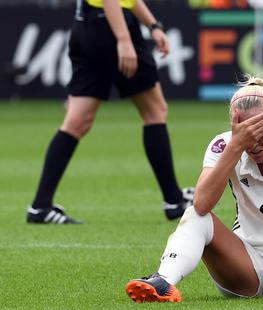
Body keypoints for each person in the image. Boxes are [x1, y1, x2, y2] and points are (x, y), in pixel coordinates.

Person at [125, 76, 263, 302]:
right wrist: (235, 146)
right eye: (244, 132)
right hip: (249, 266)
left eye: (260, 132)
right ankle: (163, 281)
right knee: (195, 215)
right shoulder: (224, 145)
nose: (253, 143)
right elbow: (202, 204)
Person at [26, 0, 192, 224]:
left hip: (85, 26)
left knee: (76, 122)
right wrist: (123, 40)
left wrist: (153, 26)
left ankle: (40, 206)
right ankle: (174, 201)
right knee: (155, 111)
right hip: (113, 25)